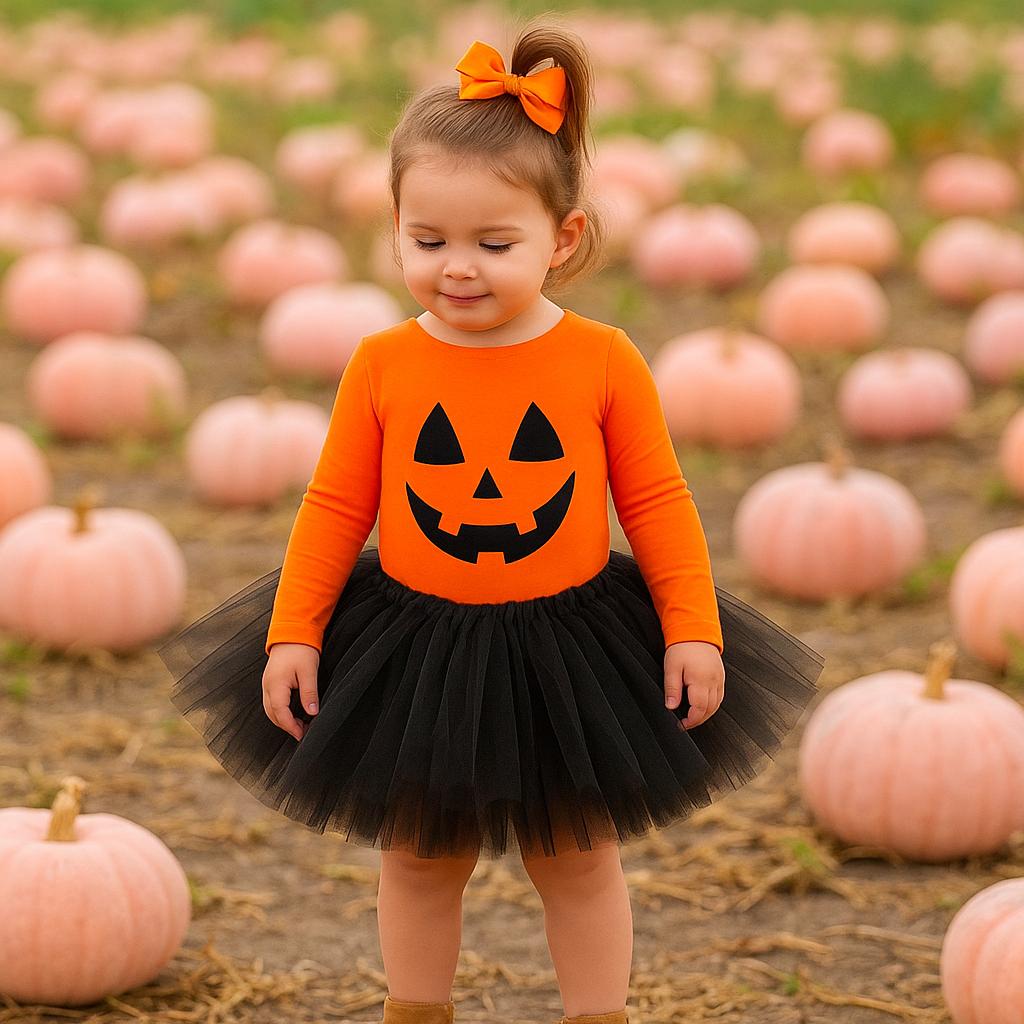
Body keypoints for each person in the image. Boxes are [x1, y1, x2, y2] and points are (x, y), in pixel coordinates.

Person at [157, 15, 826, 1024]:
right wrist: (295, 630)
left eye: (492, 242)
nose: (456, 267)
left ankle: (594, 1015)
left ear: (562, 240)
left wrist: (692, 626)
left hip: (568, 646)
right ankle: (415, 1010)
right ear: (392, 225)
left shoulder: (602, 360)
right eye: (426, 240)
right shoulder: (383, 363)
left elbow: (654, 502)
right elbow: (337, 504)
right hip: (415, 644)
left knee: (579, 857)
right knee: (421, 857)